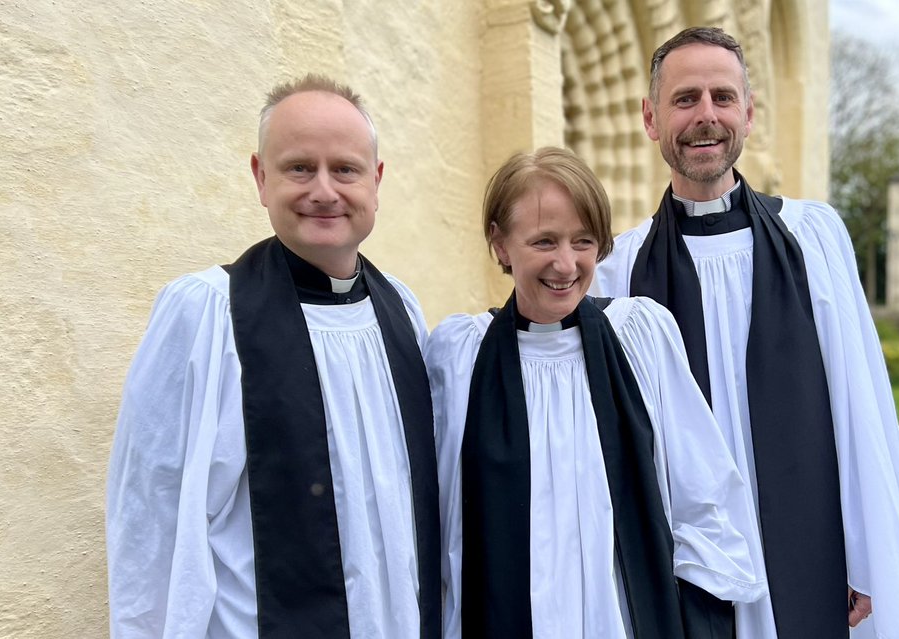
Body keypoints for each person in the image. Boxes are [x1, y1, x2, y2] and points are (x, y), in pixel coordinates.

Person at [590, 27, 899, 639]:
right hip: (691, 568)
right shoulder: (619, 271)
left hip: (807, 549)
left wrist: (866, 552)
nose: (706, 116)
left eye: (723, 98)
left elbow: (861, 409)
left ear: (749, 113)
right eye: (685, 99)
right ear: (650, 117)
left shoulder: (814, 237)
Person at [106, 74, 440, 639]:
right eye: (299, 168)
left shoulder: (401, 311)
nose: (325, 190)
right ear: (261, 177)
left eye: (346, 169)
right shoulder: (208, 312)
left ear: (376, 181)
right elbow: (151, 513)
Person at [425, 147, 767, 639]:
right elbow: (440, 521)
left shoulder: (640, 336)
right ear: (501, 244)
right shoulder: (460, 357)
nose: (566, 265)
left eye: (583, 241)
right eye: (544, 241)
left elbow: (704, 492)